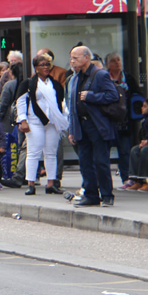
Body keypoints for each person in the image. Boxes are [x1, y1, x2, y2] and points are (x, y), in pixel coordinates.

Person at [65, 45, 120, 207]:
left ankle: (107, 195)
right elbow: (73, 106)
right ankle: (91, 195)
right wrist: (72, 129)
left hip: (97, 126)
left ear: (86, 58)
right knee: (85, 162)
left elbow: (112, 95)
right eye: (72, 58)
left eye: (75, 58)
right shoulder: (75, 78)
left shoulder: (100, 75)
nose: (72, 61)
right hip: (82, 125)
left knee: (101, 161)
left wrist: (92, 96)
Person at [15, 54, 68, 195]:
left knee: (51, 153)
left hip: (52, 122)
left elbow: (61, 102)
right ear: (36, 67)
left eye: (48, 64)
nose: (46, 67)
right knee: (34, 152)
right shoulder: (28, 83)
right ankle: (31, 183)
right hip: (35, 122)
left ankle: (51, 183)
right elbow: (20, 102)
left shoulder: (55, 84)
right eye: (42, 64)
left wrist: (62, 118)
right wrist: (23, 120)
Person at [105, 52, 143, 189]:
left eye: (119, 60)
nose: (117, 63)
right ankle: (104, 181)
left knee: (125, 151)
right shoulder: (105, 78)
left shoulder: (128, 78)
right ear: (108, 64)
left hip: (125, 122)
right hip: (109, 121)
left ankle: (126, 178)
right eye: (113, 61)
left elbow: (137, 95)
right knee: (105, 151)